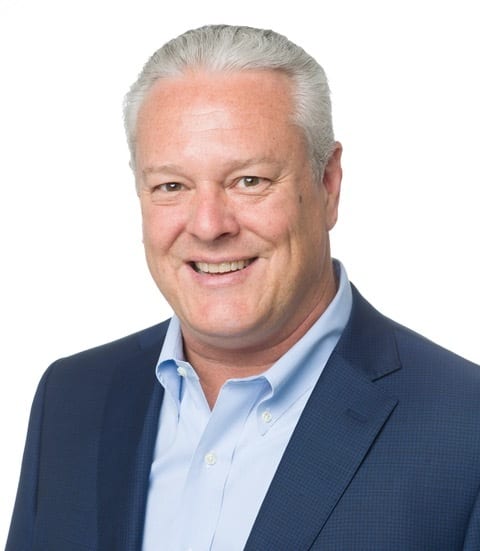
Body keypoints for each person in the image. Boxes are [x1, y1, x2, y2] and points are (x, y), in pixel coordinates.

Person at [6, 24, 480, 551]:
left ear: (328, 184)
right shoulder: (71, 399)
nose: (209, 225)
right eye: (172, 186)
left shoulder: (465, 427)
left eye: (249, 181)